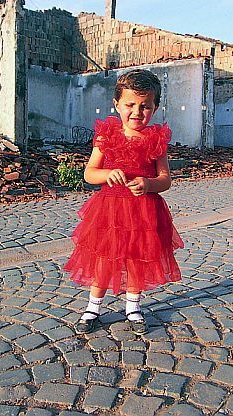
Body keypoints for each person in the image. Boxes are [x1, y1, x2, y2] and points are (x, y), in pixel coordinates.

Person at [63, 69, 183, 335]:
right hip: (110, 211)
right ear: (117, 104)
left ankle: (133, 307)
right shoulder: (106, 136)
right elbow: (89, 173)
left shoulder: (157, 139)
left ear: (155, 108)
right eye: (130, 104)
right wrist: (107, 173)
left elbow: (165, 179)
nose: (137, 112)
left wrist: (149, 184)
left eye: (145, 106)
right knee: (105, 258)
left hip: (143, 212)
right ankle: (93, 307)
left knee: (136, 258)